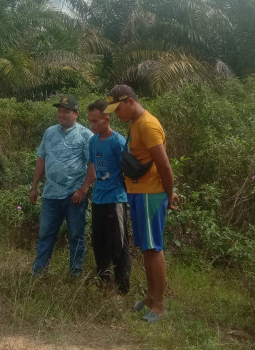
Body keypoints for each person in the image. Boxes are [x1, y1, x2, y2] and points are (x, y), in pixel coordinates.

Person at [104, 85, 179, 323]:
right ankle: (150, 297)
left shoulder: (147, 125)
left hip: (150, 194)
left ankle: (159, 305)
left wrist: (169, 194)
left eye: (118, 109)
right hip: (139, 193)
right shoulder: (136, 124)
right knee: (146, 248)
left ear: (130, 101)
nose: (117, 115)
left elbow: (165, 166)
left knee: (153, 248)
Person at [30, 95, 95, 276]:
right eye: (59, 111)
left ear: (76, 114)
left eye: (66, 111)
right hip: (50, 194)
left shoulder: (85, 135)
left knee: (76, 236)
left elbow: (92, 165)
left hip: (73, 195)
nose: (61, 114)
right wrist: (34, 187)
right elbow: (41, 159)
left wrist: (83, 190)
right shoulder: (50, 132)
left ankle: (75, 273)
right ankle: (39, 272)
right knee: (46, 235)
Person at [87, 99, 131, 295]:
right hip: (98, 200)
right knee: (99, 243)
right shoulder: (92, 141)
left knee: (119, 245)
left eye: (95, 121)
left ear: (107, 119)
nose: (92, 125)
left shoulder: (118, 141)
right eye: (90, 121)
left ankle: (122, 289)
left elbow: (128, 171)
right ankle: (103, 283)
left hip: (115, 200)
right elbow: (93, 170)